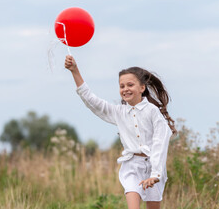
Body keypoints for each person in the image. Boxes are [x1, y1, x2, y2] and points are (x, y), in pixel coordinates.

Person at [64, 55, 176, 209]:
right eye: (122, 86)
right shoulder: (119, 112)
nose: (125, 89)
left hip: (153, 166)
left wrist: (155, 174)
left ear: (142, 88)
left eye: (130, 85)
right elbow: (92, 102)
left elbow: (160, 143)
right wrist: (74, 71)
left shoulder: (152, 111)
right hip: (131, 166)